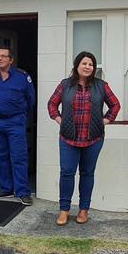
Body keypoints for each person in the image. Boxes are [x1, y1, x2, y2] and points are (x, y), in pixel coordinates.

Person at [47, 51, 120, 226]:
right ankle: (64, 210)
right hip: (68, 138)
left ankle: (83, 210)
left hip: (93, 139)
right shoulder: (65, 85)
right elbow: (52, 104)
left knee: (87, 174)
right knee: (67, 173)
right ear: (77, 65)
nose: (87, 67)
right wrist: (59, 120)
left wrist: (105, 120)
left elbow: (115, 105)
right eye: (84, 63)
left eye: (91, 64)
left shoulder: (101, 86)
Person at [0, 46, 36, 206]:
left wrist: (20, 117)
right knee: (0, 156)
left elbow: (30, 99)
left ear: (11, 60)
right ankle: (6, 188)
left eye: (3, 56)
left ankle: (22, 192)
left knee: (19, 157)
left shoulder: (22, 77)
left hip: (15, 122)